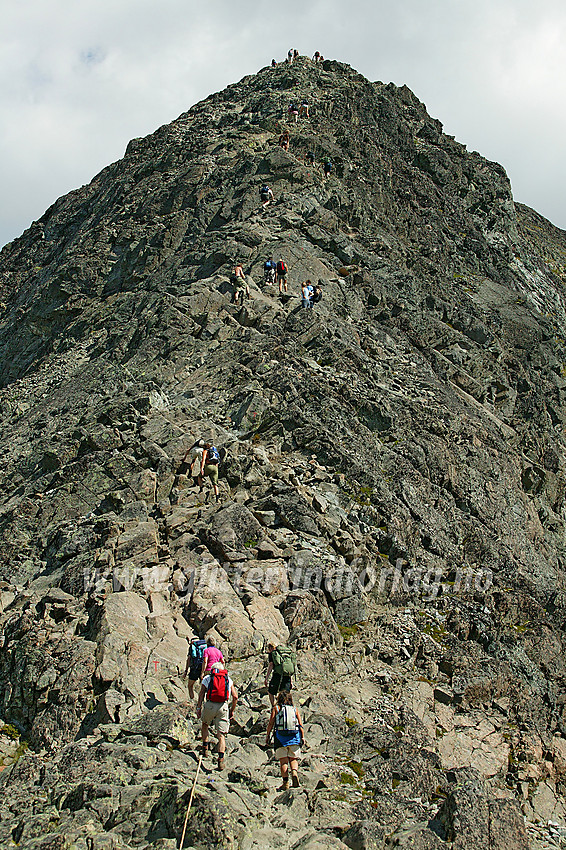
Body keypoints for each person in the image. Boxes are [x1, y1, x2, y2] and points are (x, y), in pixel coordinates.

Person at [197, 663, 238, 771]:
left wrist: (198, 707)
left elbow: (201, 694)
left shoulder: (207, 678)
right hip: (223, 707)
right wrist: (232, 710)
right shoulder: (228, 679)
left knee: (205, 724)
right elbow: (235, 696)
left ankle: (205, 748)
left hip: (210, 705)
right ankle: (220, 760)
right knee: (221, 736)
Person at [265, 692, 304, 790]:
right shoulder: (295, 709)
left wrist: (267, 735)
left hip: (280, 739)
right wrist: (302, 737)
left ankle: (285, 782)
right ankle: (294, 772)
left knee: (283, 761)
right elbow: (300, 724)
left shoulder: (277, 709)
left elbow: (271, 723)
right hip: (294, 737)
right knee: (293, 759)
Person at [264, 642, 295, 706]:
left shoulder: (273, 653)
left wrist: (266, 678)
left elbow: (271, 665)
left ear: (270, 648)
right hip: (287, 675)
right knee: (285, 693)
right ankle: (286, 708)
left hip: (278, 675)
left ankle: (274, 707)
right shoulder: (286, 653)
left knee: (270, 691)